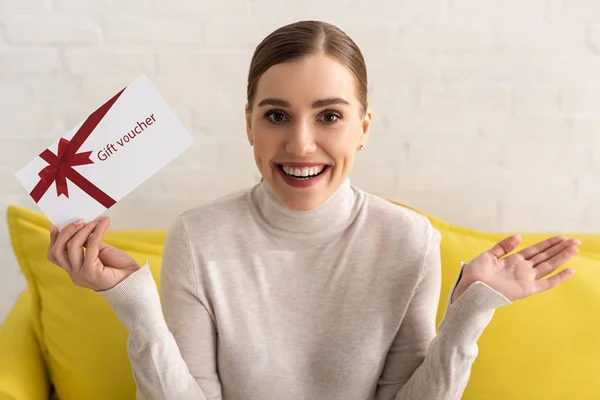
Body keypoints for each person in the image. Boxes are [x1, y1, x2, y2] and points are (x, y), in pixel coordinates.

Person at [46, 20, 579, 400]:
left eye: (329, 116)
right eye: (277, 115)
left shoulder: (409, 241)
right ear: (249, 124)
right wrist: (132, 302)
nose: (301, 144)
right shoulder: (198, 236)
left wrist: (469, 313)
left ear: (363, 127)